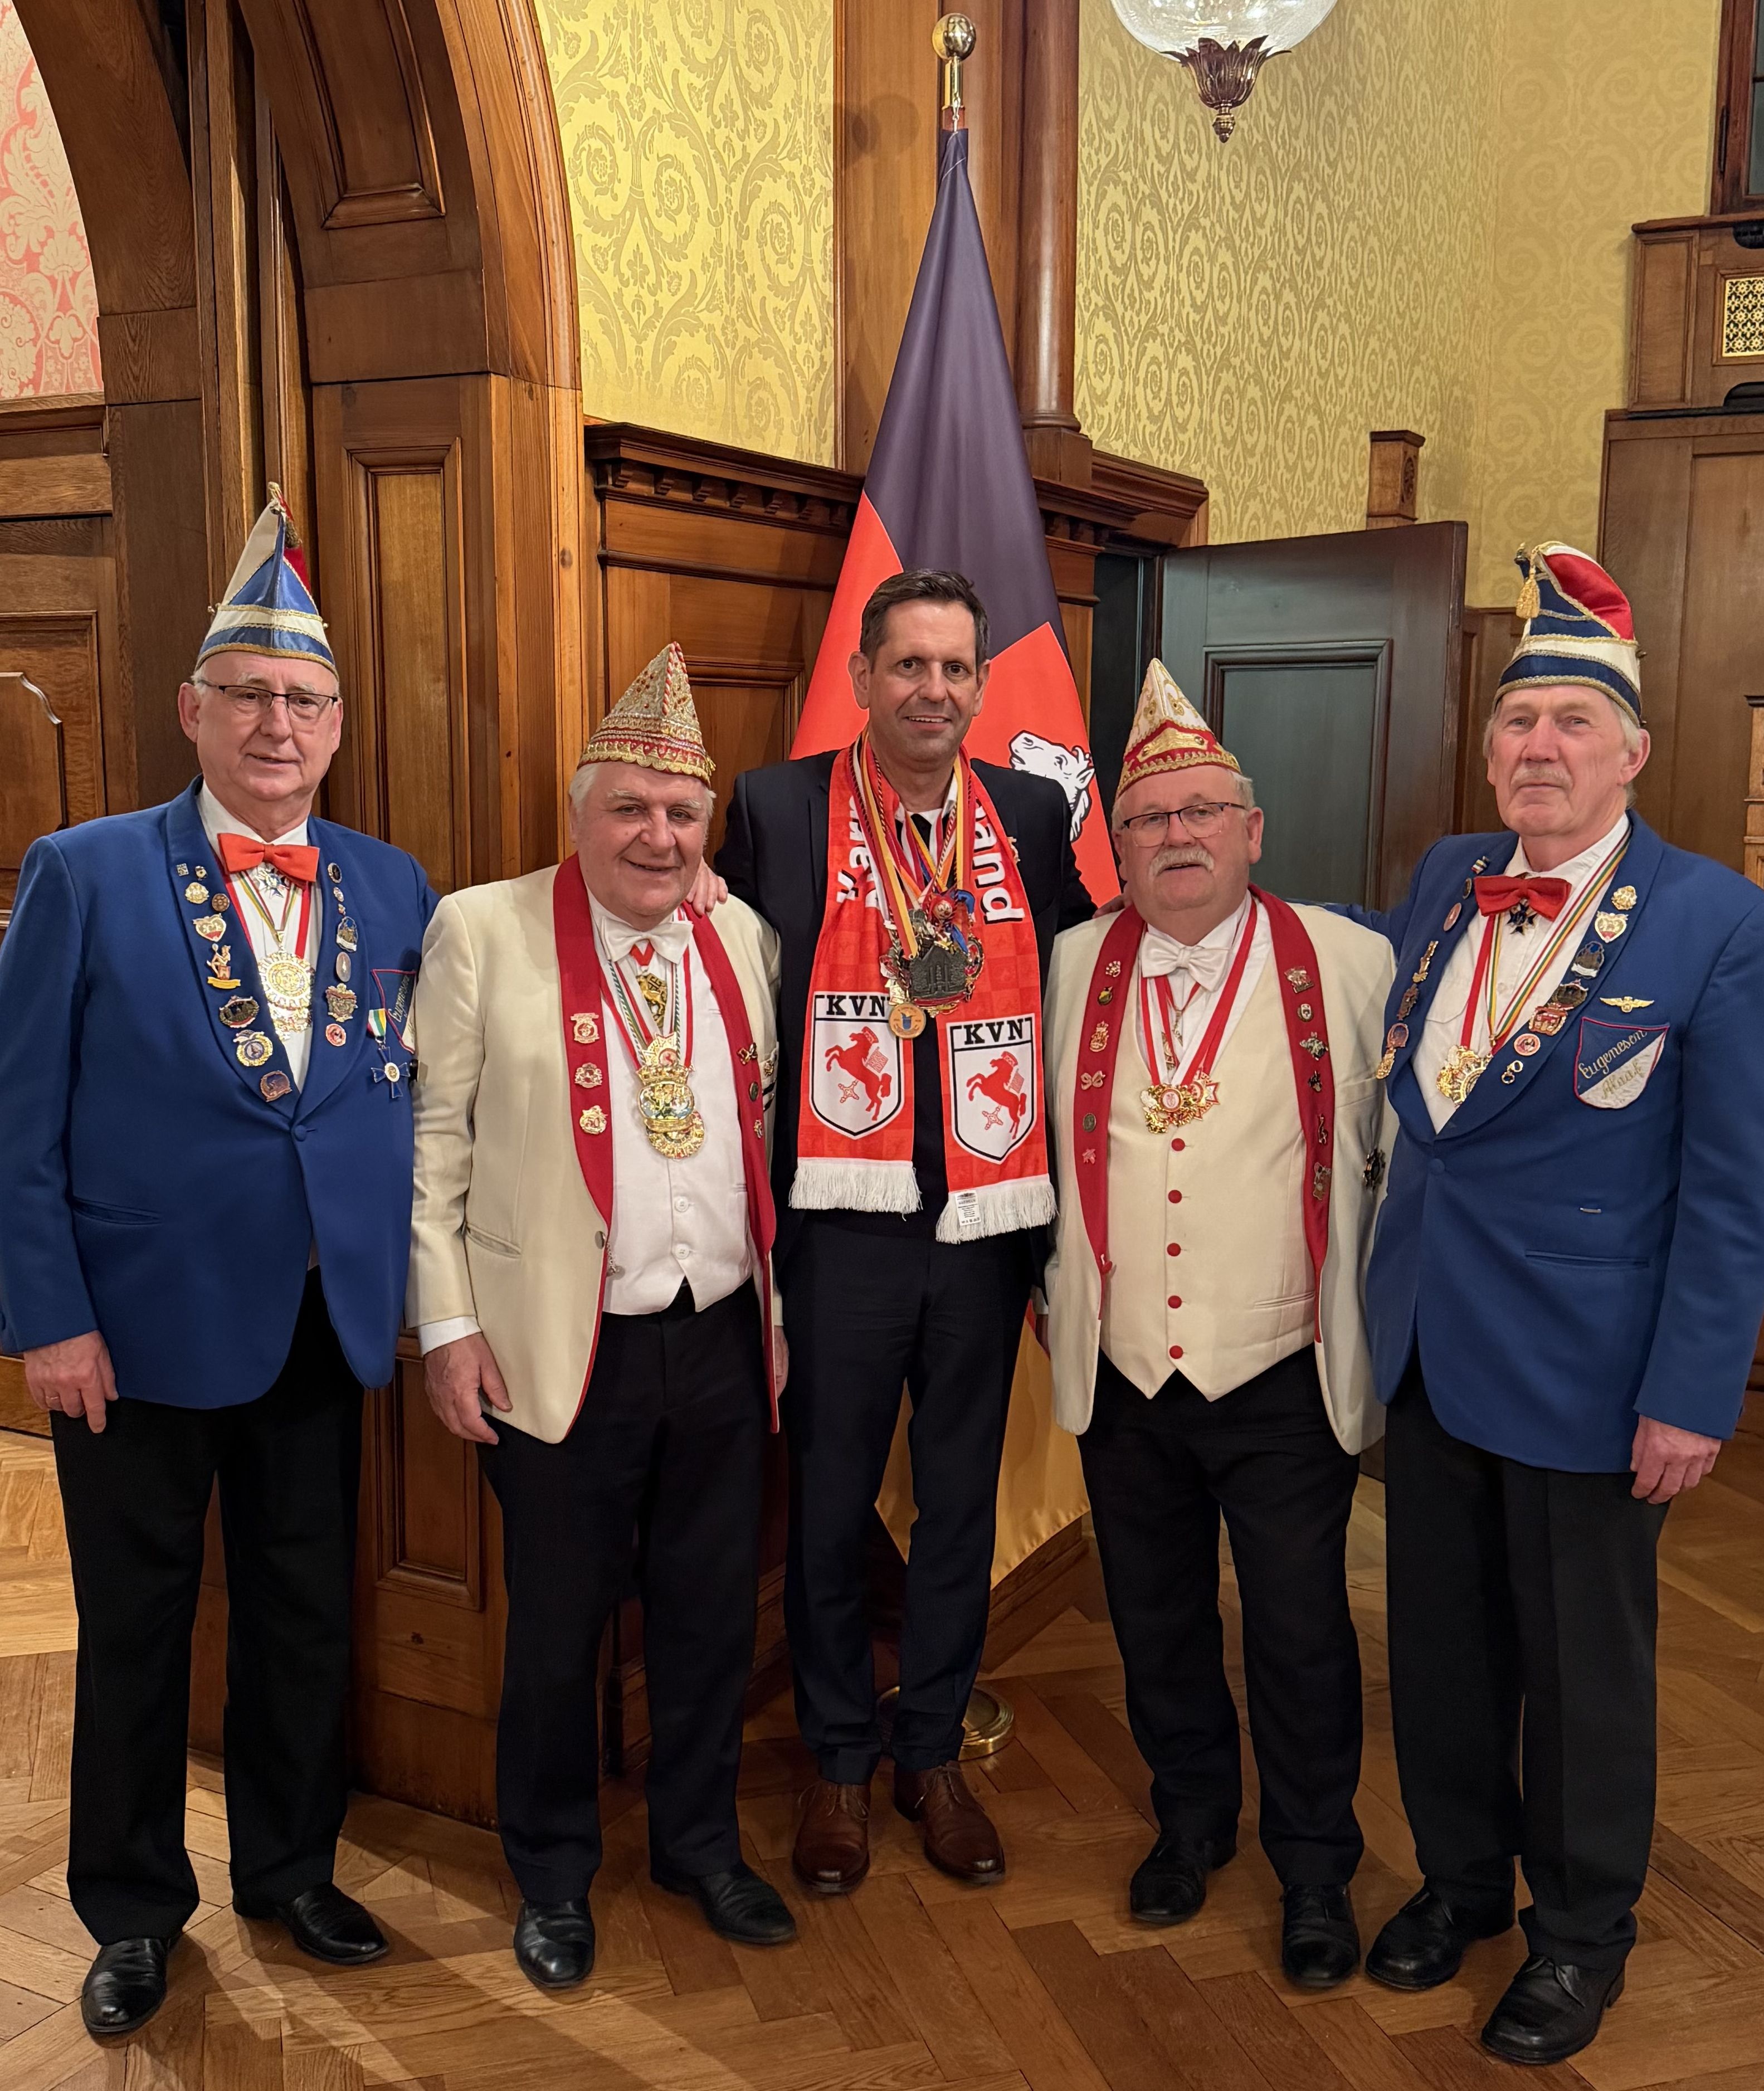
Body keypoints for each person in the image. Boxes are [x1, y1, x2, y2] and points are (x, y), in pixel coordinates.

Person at [0, 494, 435, 2038]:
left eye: (303, 699)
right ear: (192, 711)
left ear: (337, 725)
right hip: (133, 1330)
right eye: (247, 694)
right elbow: (18, 1119)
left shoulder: (394, 885)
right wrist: (47, 1317)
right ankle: (129, 1908)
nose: (275, 724)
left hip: (322, 1314)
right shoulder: (85, 870)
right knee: (136, 1626)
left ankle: (291, 1868)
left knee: (304, 1608)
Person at [1347, 544, 1764, 2065]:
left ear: (1630, 753)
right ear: (1487, 750)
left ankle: (1580, 1934)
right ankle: (1460, 1880)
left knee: (1583, 1674)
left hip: (1593, 1369)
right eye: (1517, 720)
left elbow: (1731, 1186)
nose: (1538, 745)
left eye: (1572, 723)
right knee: (1440, 1647)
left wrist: (1690, 1390)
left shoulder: (1713, 919)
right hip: (1426, 1341)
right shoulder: (1442, 876)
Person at [409, 644, 795, 1988]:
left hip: (722, 1332)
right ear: (579, 813)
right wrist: (446, 1326)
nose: (657, 834)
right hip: (556, 1344)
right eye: (629, 807)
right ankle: (554, 1872)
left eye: (681, 813)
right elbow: (433, 1147)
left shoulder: (743, 936)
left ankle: (697, 1841)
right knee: (557, 1626)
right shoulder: (481, 928)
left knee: (708, 1611)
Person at [717, 569, 1093, 1894]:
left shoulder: (1030, 814)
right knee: (826, 1505)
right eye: (907, 665)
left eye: (954, 667)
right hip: (839, 1224)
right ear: (862, 676)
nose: (932, 689)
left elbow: (1073, 989)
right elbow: (732, 999)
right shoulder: (775, 806)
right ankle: (835, 1758)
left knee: (956, 1504)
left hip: (985, 1223)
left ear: (980, 684)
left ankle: (928, 1748)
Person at [1040, 664, 1393, 1987]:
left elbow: (1398, 1158)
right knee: (1155, 1615)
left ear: (1250, 828)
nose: (1174, 835)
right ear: (1118, 845)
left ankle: (1314, 1864)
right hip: (1126, 1364)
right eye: (1147, 819)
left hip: (1280, 1362)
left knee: (1299, 1625)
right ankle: (1188, 1819)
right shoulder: (1070, 961)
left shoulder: (1349, 962)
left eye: (1200, 812)